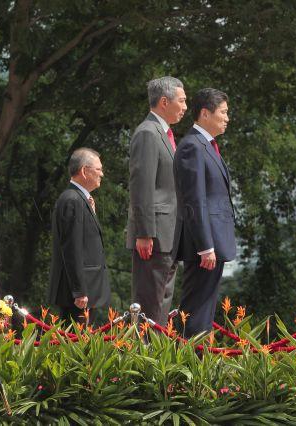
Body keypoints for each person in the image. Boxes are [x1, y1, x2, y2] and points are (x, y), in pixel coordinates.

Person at [173, 88, 237, 337]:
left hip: (213, 243)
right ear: (204, 113)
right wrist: (205, 246)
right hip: (204, 246)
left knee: (204, 310)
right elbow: (194, 200)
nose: (227, 118)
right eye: (223, 112)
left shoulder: (207, 146)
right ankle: (190, 367)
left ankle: (200, 366)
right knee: (196, 310)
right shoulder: (193, 147)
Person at [126, 76, 187, 326]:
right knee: (149, 306)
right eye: (182, 101)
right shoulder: (148, 133)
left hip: (168, 235)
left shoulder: (163, 133)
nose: (185, 107)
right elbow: (142, 187)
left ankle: (156, 360)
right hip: (153, 237)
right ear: (164, 101)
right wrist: (144, 233)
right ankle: (143, 361)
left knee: (162, 305)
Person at [48, 148, 111, 324]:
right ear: (84, 171)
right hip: (78, 296)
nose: (102, 174)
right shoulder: (72, 200)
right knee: (74, 346)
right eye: (98, 170)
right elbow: (71, 248)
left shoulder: (80, 199)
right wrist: (79, 290)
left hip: (86, 292)